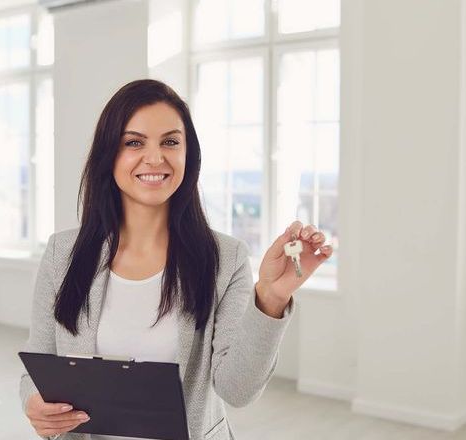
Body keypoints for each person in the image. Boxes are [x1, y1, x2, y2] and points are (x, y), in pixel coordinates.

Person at [19, 79, 333, 440]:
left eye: (170, 142)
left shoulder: (225, 259)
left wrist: (271, 299)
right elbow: (37, 368)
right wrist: (33, 403)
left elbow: (237, 391)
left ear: (188, 155)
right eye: (134, 142)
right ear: (109, 155)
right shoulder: (62, 254)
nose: (155, 158)